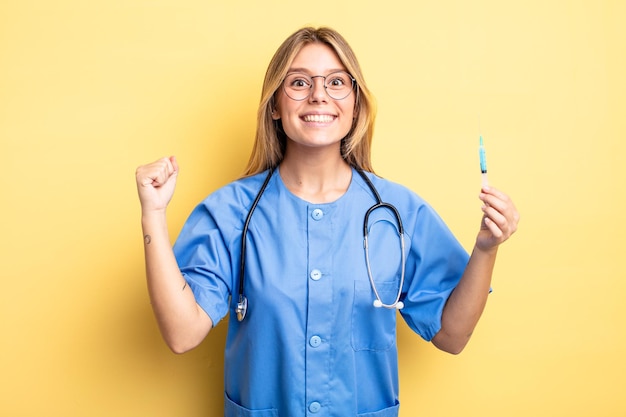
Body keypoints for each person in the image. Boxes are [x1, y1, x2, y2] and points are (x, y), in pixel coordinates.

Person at [135, 26, 519, 417]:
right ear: (274, 105)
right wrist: (153, 213)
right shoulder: (230, 211)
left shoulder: (399, 212)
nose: (319, 94)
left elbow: (452, 335)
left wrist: (486, 249)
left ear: (355, 104)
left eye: (336, 82)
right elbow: (182, 335)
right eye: (299, 82)